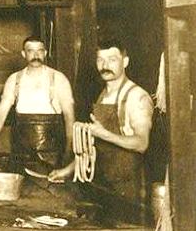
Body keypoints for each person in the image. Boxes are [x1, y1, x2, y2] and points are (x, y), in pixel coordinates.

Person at [49, 38, 153, 206]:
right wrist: (66, 171)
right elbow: (95, 146)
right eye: (100, 59)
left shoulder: (137, 96)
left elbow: (141, 143)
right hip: (102, 185)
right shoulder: (103, 94)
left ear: (125, 62)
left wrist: (105, 134)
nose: (105, 65)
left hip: (127, 189)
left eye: (112, 59)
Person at [0, 36, 75, 170]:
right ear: (23, 54)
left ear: (45, 53)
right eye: (31, 51)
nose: (36, 55)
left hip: (52, 153)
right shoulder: (14, 79)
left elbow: (69, 116)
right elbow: (1, 112)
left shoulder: (58, 78)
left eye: (40, 51)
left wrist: (69, 150)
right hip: (20, 152)